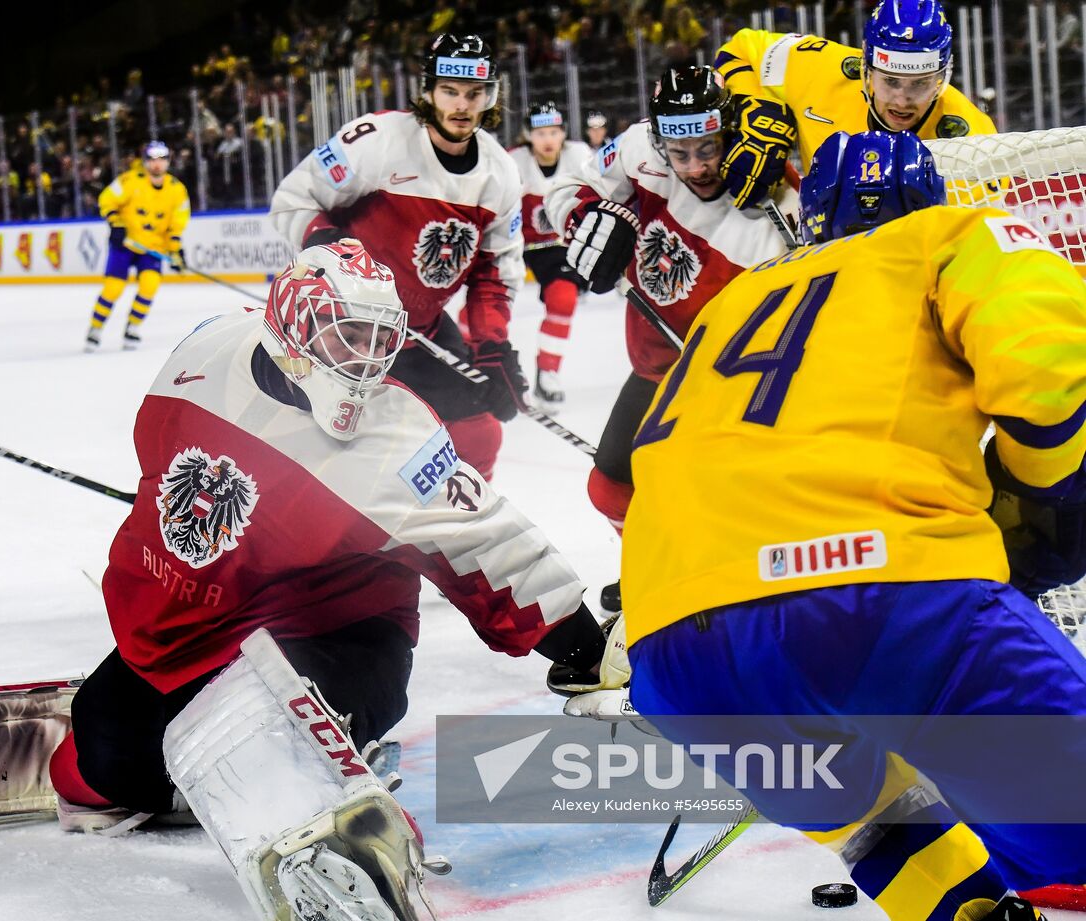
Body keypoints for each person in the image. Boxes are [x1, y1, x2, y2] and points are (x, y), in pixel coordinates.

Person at [567, 131, 1086, 920]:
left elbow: (634, 474)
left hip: (677, 656)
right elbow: (1052, 374)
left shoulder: (728, 302)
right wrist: (1047, 502)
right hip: (880, 598)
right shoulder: (945, 235)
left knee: (880, 827)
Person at [47, 240, 605, 909]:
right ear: (292, 332)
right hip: (193, 635)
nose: (367, 362)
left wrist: (585, 652)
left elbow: (490, 545)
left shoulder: (393, 435)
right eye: (349, 337)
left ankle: (327, 755)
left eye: (379, 339)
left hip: (338, 631)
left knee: (280, 760)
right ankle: (188, 760)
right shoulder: (206, 350)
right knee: (91, 771)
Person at [544, 66, 788, 609]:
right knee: (609, 487)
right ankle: (656, 569)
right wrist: (587, 220)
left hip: (739, 382)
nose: (697, 165)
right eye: (681, 152)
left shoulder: (775, 202)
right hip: (658, 368)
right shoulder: (638, 151)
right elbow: (564, 192)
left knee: (733, 498)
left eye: (709, 146)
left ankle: (736, 586)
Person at [270, 33, 526, 481]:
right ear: (429, 91)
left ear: (492, 95)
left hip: (419, 331)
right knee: (333, 452)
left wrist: (492, 345)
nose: (462, 105)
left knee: (478, 434)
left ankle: (450, 537)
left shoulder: (500, 172)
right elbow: (293, 200)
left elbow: (493, 274)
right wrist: (326, 240)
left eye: (475, 93)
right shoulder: (377, 139)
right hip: (340, 331)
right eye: (450, 91)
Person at [716, 0, 996, 208]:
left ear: (941, 78)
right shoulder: (818, 68)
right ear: (867, 69)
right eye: (890, 81)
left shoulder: (973, 140)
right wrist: (759, 113)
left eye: (920, 83)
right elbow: (738, 51)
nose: (902, 100)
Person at [508, 102, 592, 407]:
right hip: (516, 245)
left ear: (564, 134)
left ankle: (547, 373)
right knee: (487, 300)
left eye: (554, 132)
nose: (548, 139)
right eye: (541, 132)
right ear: (528, 135)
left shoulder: (579, 156)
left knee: (563, 298)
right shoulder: (513, 161)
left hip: (561, 247)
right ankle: (468, 361)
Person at [84, 140, 190, 351]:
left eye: (161, 159)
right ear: (145, 162)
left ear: (168, 162)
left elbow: (176, 225)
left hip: (153, 248)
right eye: (152, 159)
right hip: (125, 243)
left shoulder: (177, 190)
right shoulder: (130, 181)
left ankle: (133, 327)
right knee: (113, 289)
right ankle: (95, 329)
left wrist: (175, 251)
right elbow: (107, 200)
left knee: (149, 286)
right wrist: (115, 224)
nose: (157, 164)